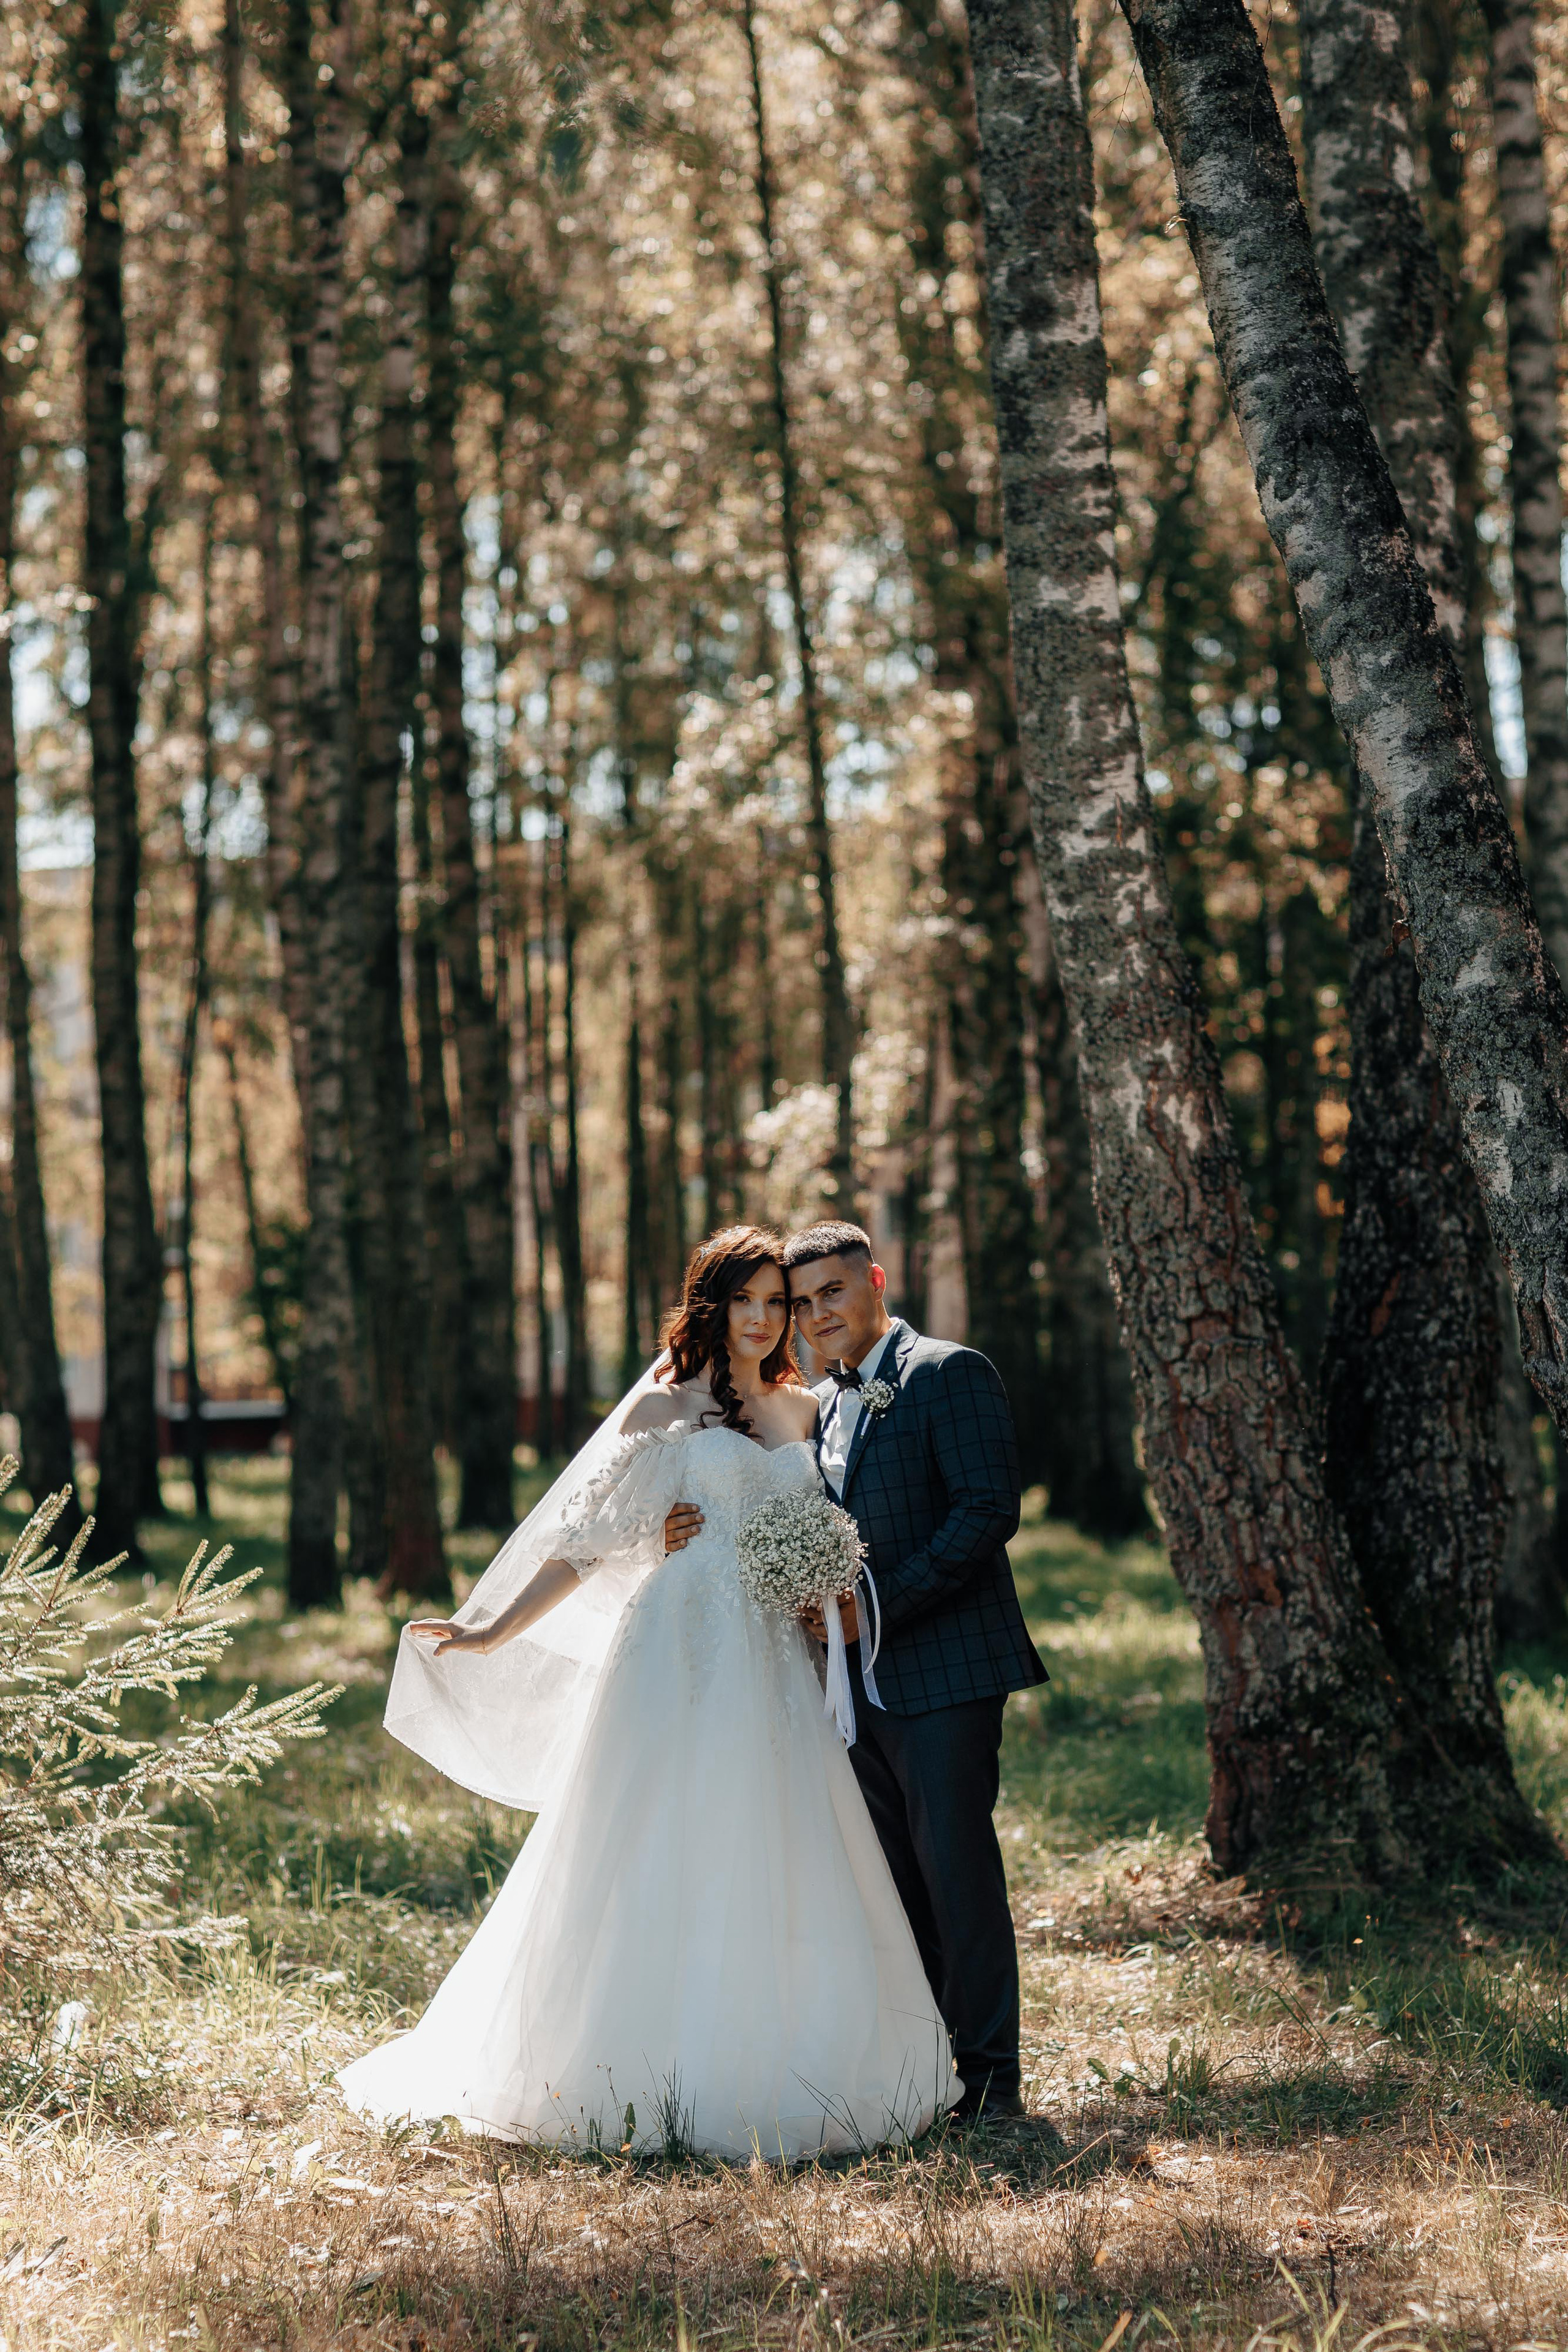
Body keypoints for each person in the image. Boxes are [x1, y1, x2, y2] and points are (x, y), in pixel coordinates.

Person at [337, 1226, 957, 2160]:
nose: (763, 1319)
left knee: (777, 1840)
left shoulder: (809, 1406)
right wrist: (492, 1626)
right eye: (744, 1301)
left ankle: (779, 2053)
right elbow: (589, 1544)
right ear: (711, 1305)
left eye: (777, 1303)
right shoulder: (659, 1410)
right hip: (681, 1648)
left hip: (778, 1660)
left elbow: (838, 1520)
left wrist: (827, 1583)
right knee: (659, 1836)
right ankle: (624, 2064)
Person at [665, 1220, 1046, 2123]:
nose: (814, 1315)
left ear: (875, 1279)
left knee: (958, 1878)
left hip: (943, 1670)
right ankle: (926, 2072)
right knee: (896, 1885)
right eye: (801, 1304)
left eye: (831, 1292)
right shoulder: (824, 1402)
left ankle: (994, 2086)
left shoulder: (949, 1372)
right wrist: (686, 1527)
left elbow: (987, 1511)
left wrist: (871, 1606)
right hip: (846, 1691)